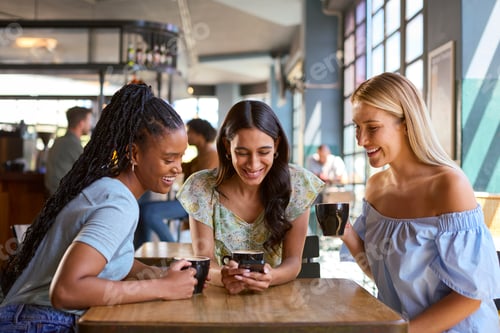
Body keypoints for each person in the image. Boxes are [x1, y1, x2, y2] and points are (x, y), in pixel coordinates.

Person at [0, 84, 198, 332]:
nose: (178, 168)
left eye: (181, 157)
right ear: (133, 154)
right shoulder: (118, 204)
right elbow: (66, 290)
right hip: (38, 322)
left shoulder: (111, 190)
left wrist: (157, 274)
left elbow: (112, 260)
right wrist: (162, 288)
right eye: (169, 159)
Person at [340, 72, 500, 332]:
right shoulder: (376, 187)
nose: (361, 140)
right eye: (357, 127)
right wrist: (345, 232)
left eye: (372, 127)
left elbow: (471, 296)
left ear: (405, 123)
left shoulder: (449, 185)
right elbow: (384, 274)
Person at [177, 100, 324, 295]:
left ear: (277, 144)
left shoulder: (297, 184)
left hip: (279, 301)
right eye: (242, 152)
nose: (253, 165)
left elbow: (293, 262)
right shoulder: (201, 187)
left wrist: (270, 277)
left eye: (264, 152)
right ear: (227, 146)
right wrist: (224, 275)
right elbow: (205, 260)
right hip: (221, 298)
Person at [133, 118, 218, 248]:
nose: (187, 135)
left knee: (149, 212)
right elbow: (182, 168)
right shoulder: (201, 155)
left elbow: (201, 185)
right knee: (142, 209)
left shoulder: (212, 155)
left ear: (200, 134)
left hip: (196, 204)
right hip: (187, 201)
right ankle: (139, 250)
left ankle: (174, 249)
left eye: (190, 132)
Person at [44, 106, 93, 195]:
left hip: (53, 196)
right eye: (89, 120)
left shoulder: (58, 141)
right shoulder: (73, 144)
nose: (90, 125)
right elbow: (89, 171)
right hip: (65, 198)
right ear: (81, 123)